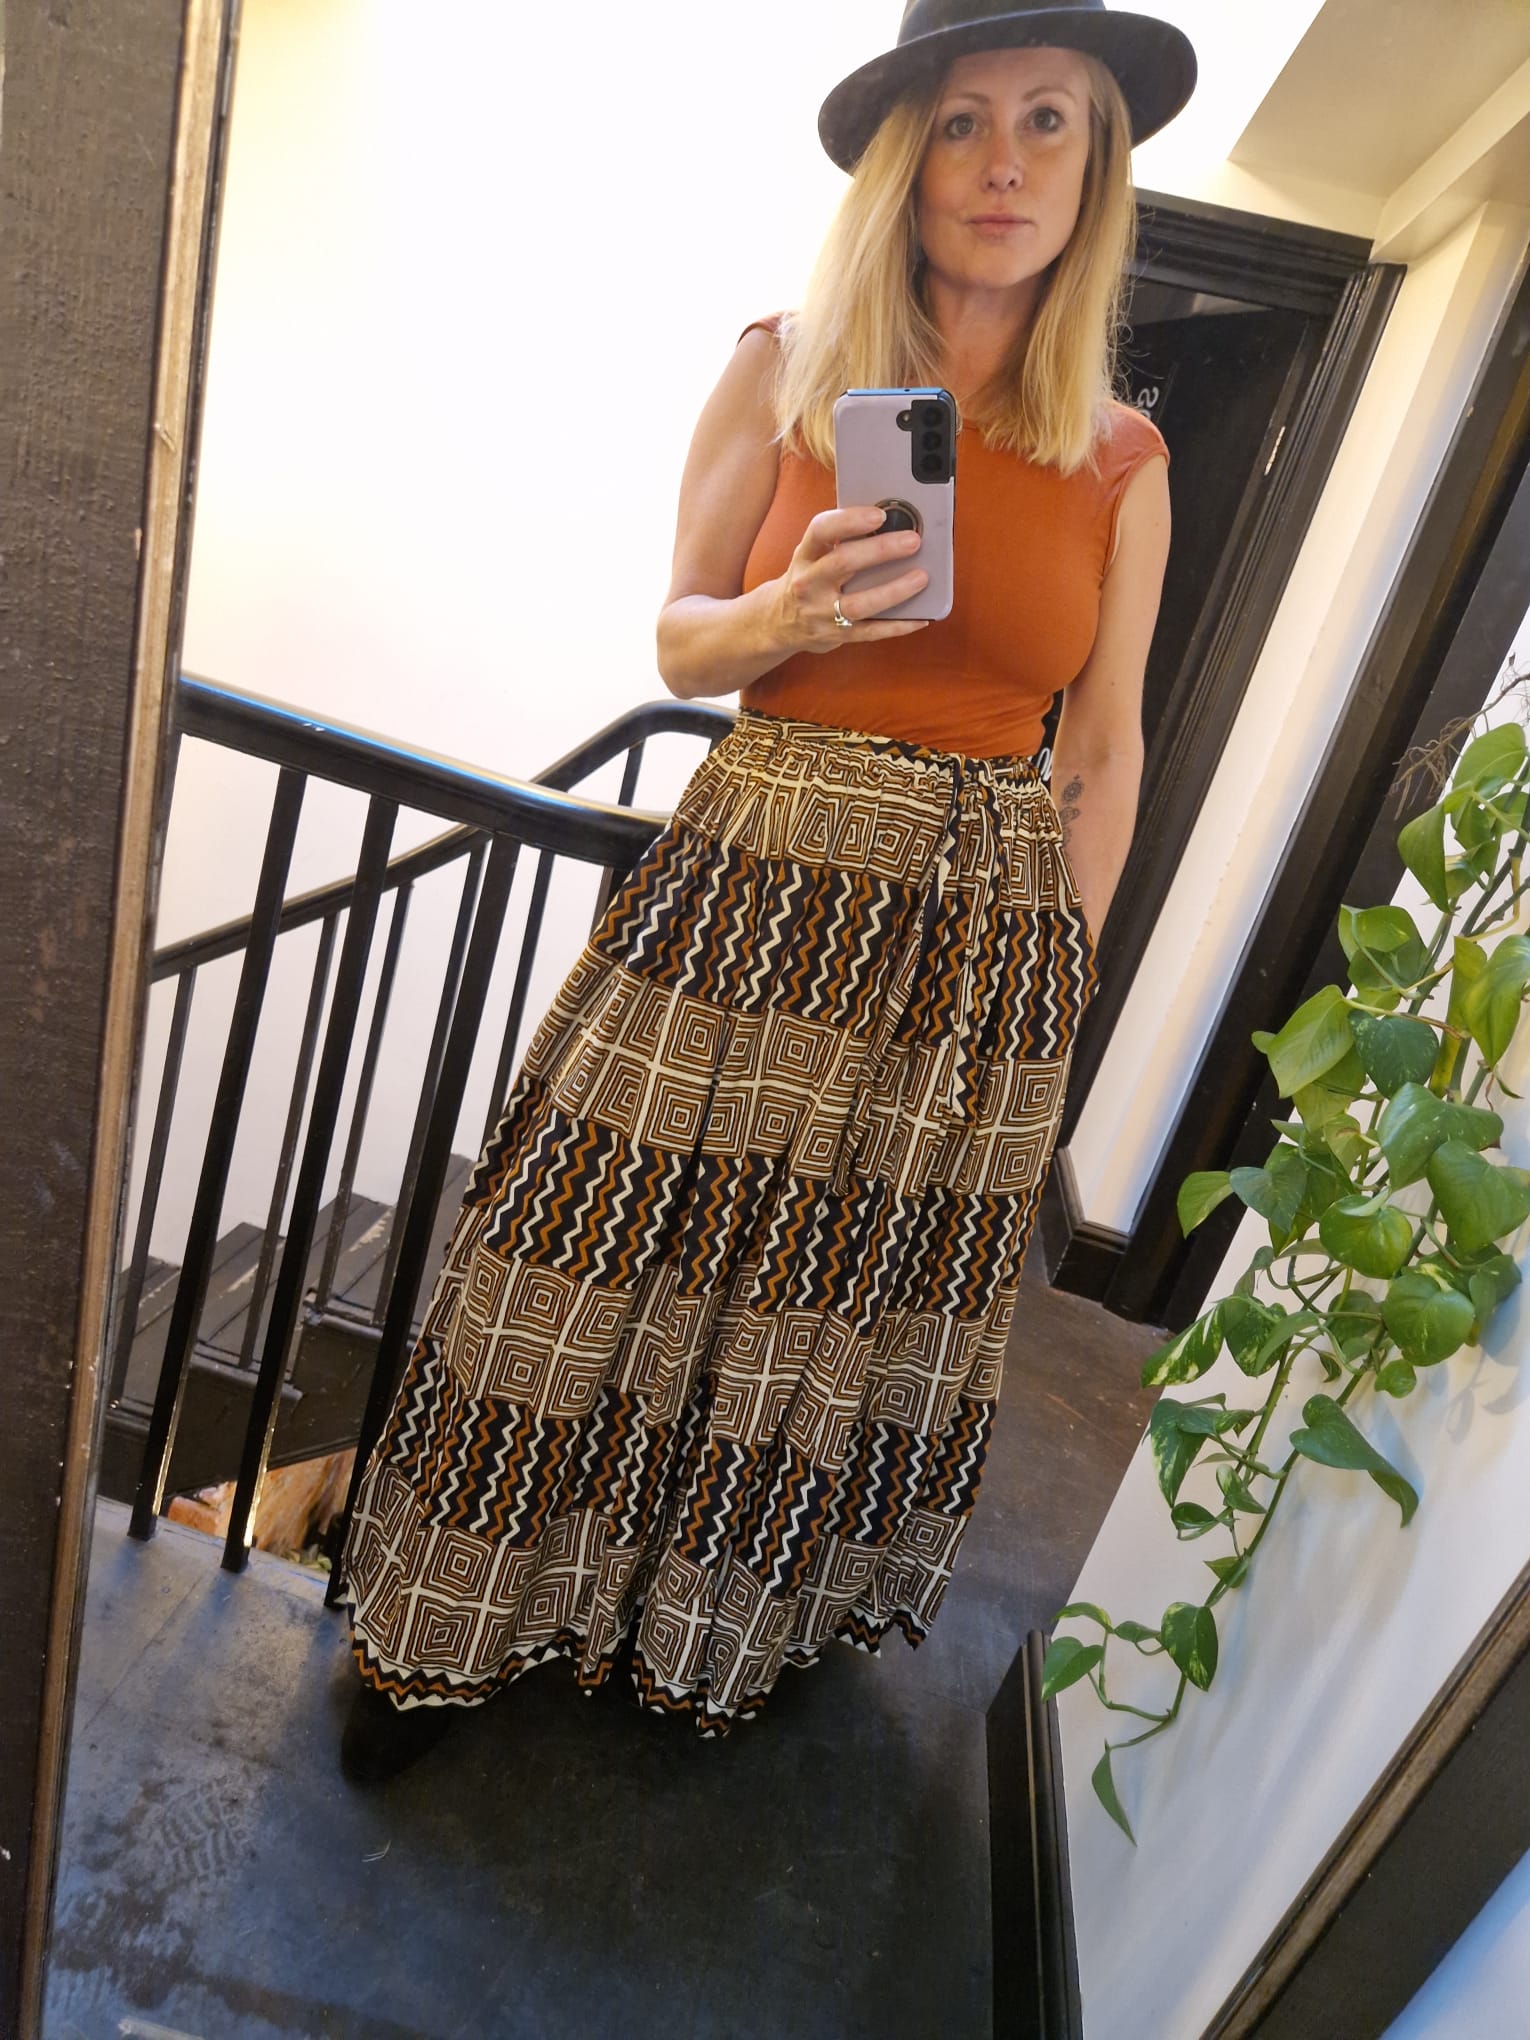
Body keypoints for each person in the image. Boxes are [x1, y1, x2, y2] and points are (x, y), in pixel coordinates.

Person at [336, 0, 1194, 1783]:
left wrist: (1055, 1005)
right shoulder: (790, 364)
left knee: (828, 1312)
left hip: (972, 934)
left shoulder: (1120, 457)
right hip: (751, 875)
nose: (1005, 164)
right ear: (904, 160)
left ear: (1096, 169)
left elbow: (1104, 754)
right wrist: (789, 612)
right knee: (581, 1251)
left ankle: (699, 1630)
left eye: (1049, 120)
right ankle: (450, 1624)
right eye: (962, 121)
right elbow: (678, 639)